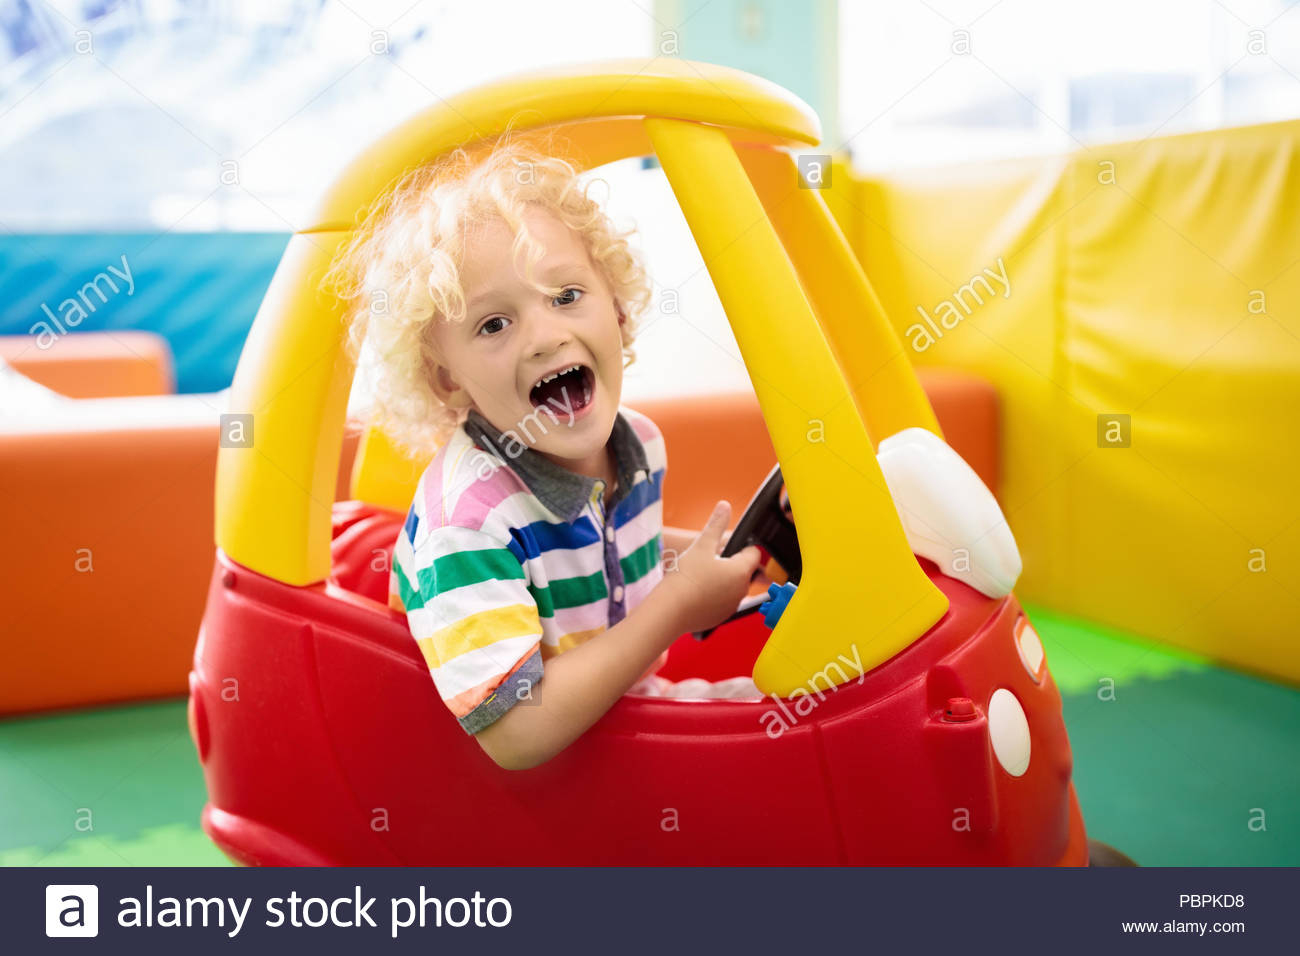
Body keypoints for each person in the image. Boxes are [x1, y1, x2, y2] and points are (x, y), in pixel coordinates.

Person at [329, 137, 765, 771]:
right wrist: (678, 606)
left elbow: (604, 549)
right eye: (494, 324)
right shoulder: (469, 524)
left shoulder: (637, 443)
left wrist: (706, 558)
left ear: (616, 312)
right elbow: (516, 733)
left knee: (828, 695)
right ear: (447, 378)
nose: (545, 335)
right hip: (552, 770)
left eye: (566, 297)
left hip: (628, 712)